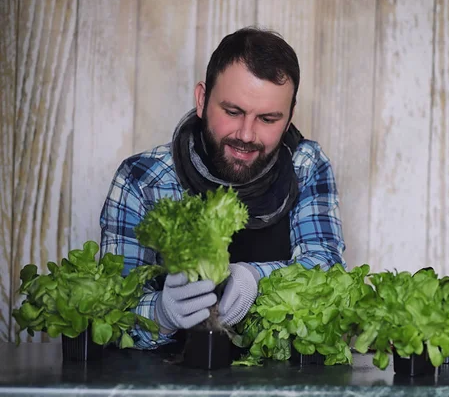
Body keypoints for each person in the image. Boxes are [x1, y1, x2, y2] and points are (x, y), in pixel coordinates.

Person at [99, 27, 346, 350]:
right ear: (202, 99)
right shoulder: (143, 178)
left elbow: (327, 269)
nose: (246, 134)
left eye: (268, 119)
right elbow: (111, 315)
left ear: (289, 119)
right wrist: (160, 314)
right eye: (233, 112)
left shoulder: (307, 165)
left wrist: (255, 278)